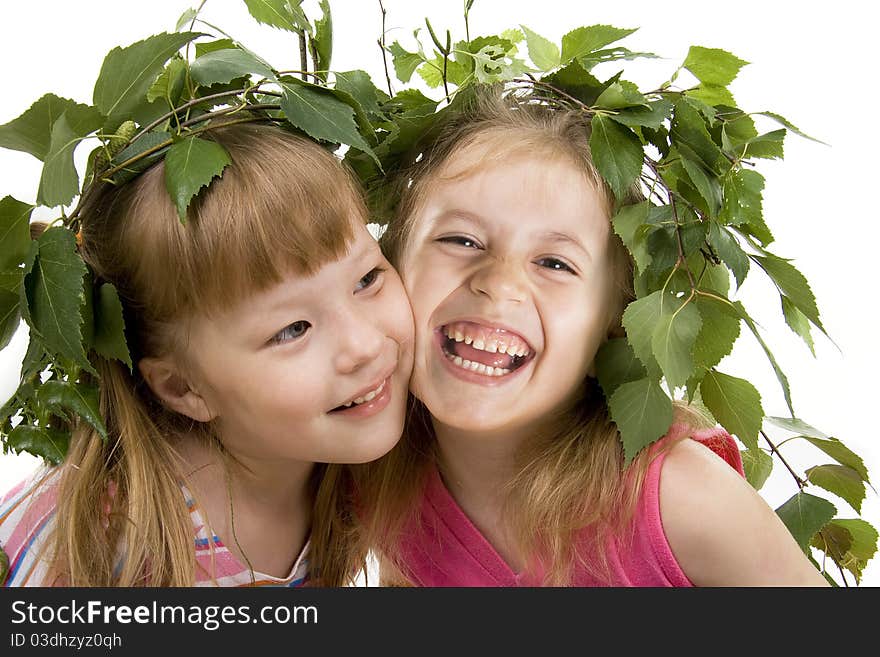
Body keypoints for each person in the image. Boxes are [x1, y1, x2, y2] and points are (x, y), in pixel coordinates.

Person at [353, 86, 828, 586]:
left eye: (555, 263)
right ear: (388, 262)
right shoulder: (378, 476)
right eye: (461, 240)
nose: (498, 284)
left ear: (616, 324)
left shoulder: (680, 500)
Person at [0, 123, 414, 587]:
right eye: (292, 329)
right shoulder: (96, 541)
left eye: (367, 279)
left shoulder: (352, 472)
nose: (365, 345)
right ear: (185, 387)